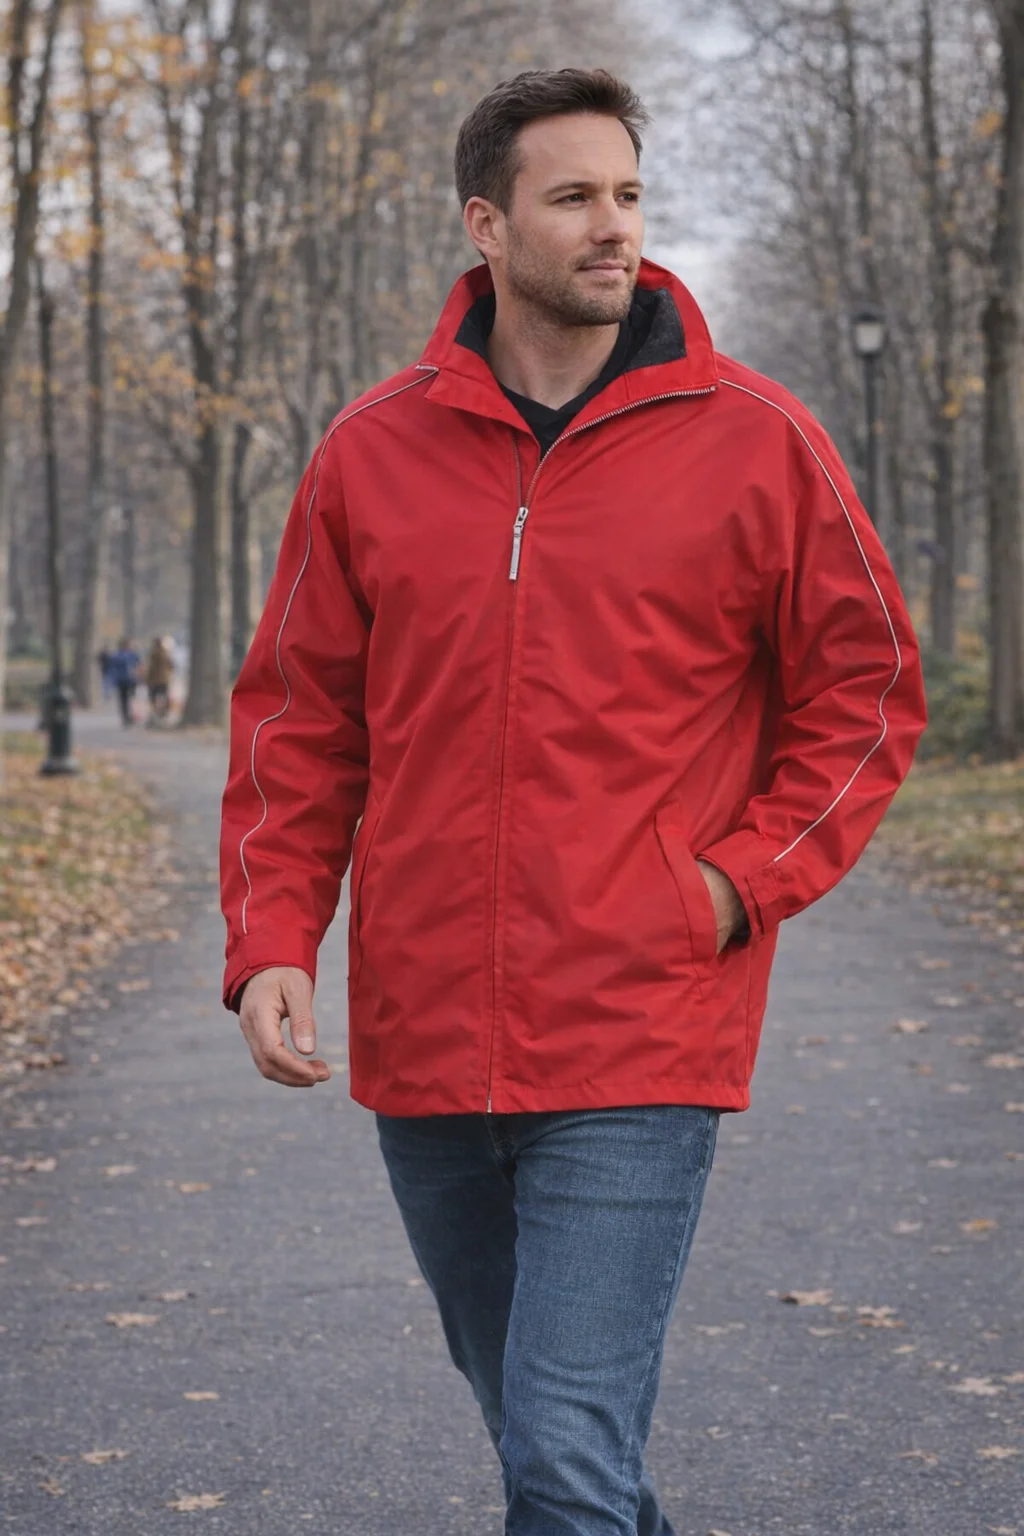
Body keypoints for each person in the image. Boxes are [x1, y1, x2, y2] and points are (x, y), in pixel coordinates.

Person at [220, 69, 928, 1536]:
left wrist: (731, 885)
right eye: (574, 199)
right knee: (556, 1447)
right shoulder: (373, 449)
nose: (615, 229)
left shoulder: (755, 437)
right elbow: (300, 724)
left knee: (559, 1454)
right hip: (423, 1037)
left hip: (641, 1024)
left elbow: (865, 695)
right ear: (487, 224)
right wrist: (276, 936)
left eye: (629, 195)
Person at [107, 637, 139, 728]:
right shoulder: (127, 655)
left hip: (126, 680)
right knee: (126, 699)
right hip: (126, 680)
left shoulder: (118, 655)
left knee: (125, 699)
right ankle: (127, 717)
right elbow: (137, 665)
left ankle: (127, 716)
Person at [144, 635, 174, 724]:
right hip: (164, 680)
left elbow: (151, 668)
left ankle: (156, 714)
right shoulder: (166, 653)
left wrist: (148, 679)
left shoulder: (153, 654)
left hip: (155, 680)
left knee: (153, 697)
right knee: (163, 696)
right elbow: (171, 666)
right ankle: (162, 713)